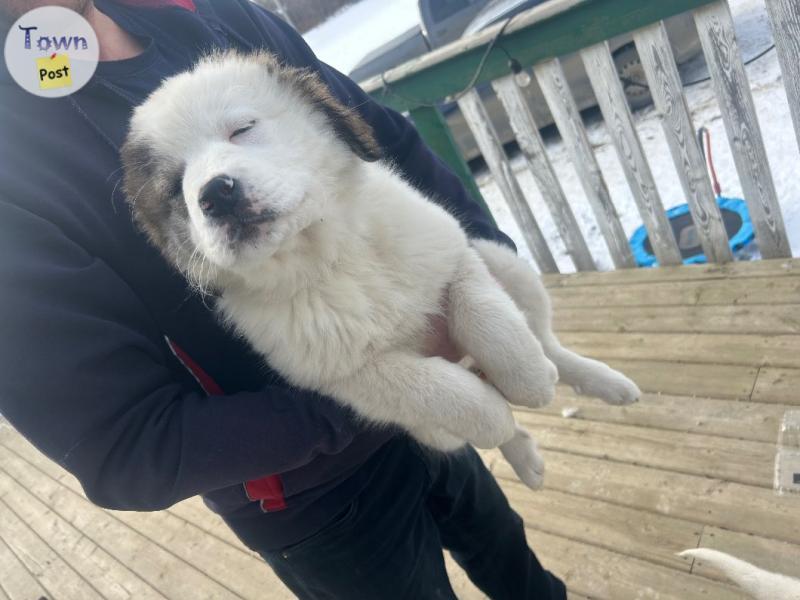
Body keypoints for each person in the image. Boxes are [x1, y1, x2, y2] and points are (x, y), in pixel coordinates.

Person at [0, 1, 566, 598]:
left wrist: (483, 263)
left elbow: (379, 136)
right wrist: (375, 388)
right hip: (317, 494)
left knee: (511, 558)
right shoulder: (12, 167)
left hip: (432, 377)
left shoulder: (208, 12)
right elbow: (125, 446)